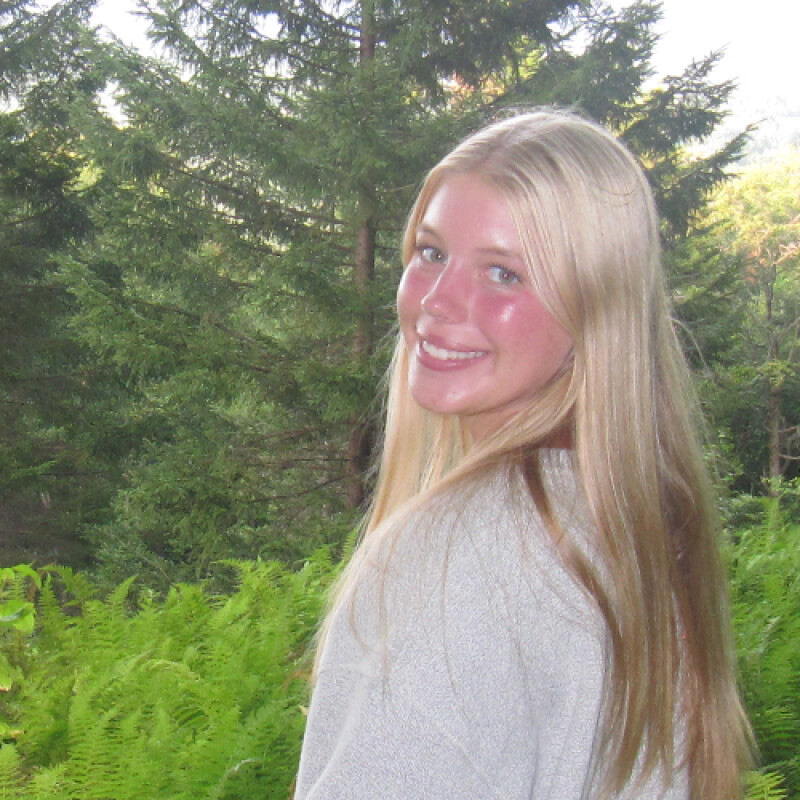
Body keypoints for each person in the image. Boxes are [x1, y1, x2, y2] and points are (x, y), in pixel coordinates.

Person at [295, 108, 752, 799]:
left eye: (503, 273)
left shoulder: (467, 550)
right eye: (431, 253)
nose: (437, 301)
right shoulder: (634, 525)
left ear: (595, 309)